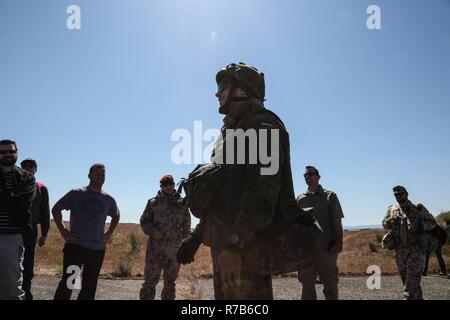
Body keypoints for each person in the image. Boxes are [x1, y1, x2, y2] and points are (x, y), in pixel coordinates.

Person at [178, 62, 293, 299]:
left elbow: (262, 193)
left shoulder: (262, 125)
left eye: (223, 86)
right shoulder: (229, 133)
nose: (217, 92)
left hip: (246, 251)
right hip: (229, 249)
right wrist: (197, 237)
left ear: (242, 89)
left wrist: (235, 244)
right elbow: (222, 195)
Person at [52, 163, 120, 300]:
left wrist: (109, 233)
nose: (100, 177)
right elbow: (56, 209)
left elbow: (116, 215)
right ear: (89, 175)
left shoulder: (108, 199)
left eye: (102, 175)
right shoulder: (77, 193)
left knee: (89, 287)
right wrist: (63, 230)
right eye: (97, 174)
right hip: (76, 246)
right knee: (69, 283)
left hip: (96, 249)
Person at [139, 174, 190, 300]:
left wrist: (182, 243)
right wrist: (153, 231)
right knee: (149, 283)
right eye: (165, 185)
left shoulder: (182, 204)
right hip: (154, 251)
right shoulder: (153, 203)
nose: (168, 187)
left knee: (170, 284)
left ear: (174, 185)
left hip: (173, 252)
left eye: (171, 184)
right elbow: (144, 221)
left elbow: (187, 225)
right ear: (161, 186)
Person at [296, 166, 344, 300]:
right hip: (307, 252)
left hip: (327, 250)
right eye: (305, 175)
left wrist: (339, 243)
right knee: (307, 287)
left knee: (330, 286)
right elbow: (297, 225)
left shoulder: (330, 196)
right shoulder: (300, 199)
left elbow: (337, 222)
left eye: (311, 174)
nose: (308, 177)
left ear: (318, 177)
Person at [382, 185, 436, 300]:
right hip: (399, 251)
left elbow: (432, 223)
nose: (398, 196)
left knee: (410, 285)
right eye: (396, 194)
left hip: (415, 249)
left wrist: (421, 225)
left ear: (407, 194)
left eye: (401, 193)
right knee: (409, 283)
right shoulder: (392, 209)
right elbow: (384, 224)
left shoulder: (417, 208)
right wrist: (388, 222)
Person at [0, 139, 36, 300]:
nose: (7, 154)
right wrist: (12, 197)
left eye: (11, 151)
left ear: (16, 153)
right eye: (3, 152)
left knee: (11, 288)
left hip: (12, 236)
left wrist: (8, 199)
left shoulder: (27, 178)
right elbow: (14, 201)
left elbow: (23, 204)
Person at [20, 158, 50, 300]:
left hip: (31, 230)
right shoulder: (13, 184)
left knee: (28, 262)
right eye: (24, 165)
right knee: (11, 261)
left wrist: (44, 234)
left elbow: (45, 212)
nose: (27, 168)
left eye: (30, 166)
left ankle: (27, 291)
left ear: (35, 169)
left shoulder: (41, 188)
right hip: (13, 229)